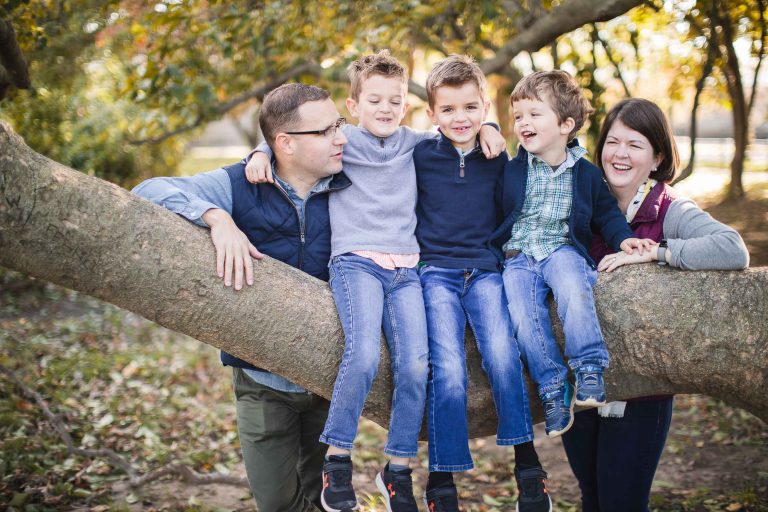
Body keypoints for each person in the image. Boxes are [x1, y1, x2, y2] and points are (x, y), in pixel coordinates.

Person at [245, 51, 506, 512]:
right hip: (356, 264)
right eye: (374, 100)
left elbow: (459, 130)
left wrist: (491, 127)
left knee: (415, 366)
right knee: (362, 351)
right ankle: (338, 461)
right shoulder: (341, 141)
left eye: (394, 100)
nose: (385, 109)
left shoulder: (415, 143)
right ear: (353, 105)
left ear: (406, 106)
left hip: (406, 270)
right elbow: (295, 141)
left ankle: (398, 468)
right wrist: (261, 150)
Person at [133, 83, 350, 512]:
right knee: (276, 502)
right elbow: (148, 191)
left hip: (329, 378)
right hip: (261, 381)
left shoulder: (351, 182)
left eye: (339, 124)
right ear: (285, 144)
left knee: (325, 496)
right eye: (327, 131)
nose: (341, 137)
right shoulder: (238, 185)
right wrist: (216, 218)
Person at [561, 97, 749, 512]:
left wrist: (656, 252)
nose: (620, 154)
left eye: (635, 144)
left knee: (622, 503)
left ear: (657, 155)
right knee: (591, 499)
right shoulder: (581, 200)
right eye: (613, 141)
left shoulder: (667, 207)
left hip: (642, 393)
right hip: (581, 384)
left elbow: (732, 249)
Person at [413, 55, 551, 512]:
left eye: (471, 108)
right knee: (447, 367)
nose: (460, 119)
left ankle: (528, 467)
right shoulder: (417, 154)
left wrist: (494, 135)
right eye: (448, 110)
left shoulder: (498, 158)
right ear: (431, 114)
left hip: (484, 271)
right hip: (434, 272)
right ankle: (441, 481)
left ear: (485, 107)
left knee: (502, 355)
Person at [492, 70, 652, 441]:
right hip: (518, 256)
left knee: (574, 289)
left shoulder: (586, 174)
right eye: (518, 117)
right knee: (521, 313)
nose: (523, 123)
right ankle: (551, 386)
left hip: (562, 249)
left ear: (565, 124)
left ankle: (589, 366)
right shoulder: (512, 170)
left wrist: (624, 240)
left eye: (534, 114)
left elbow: (606, 215)